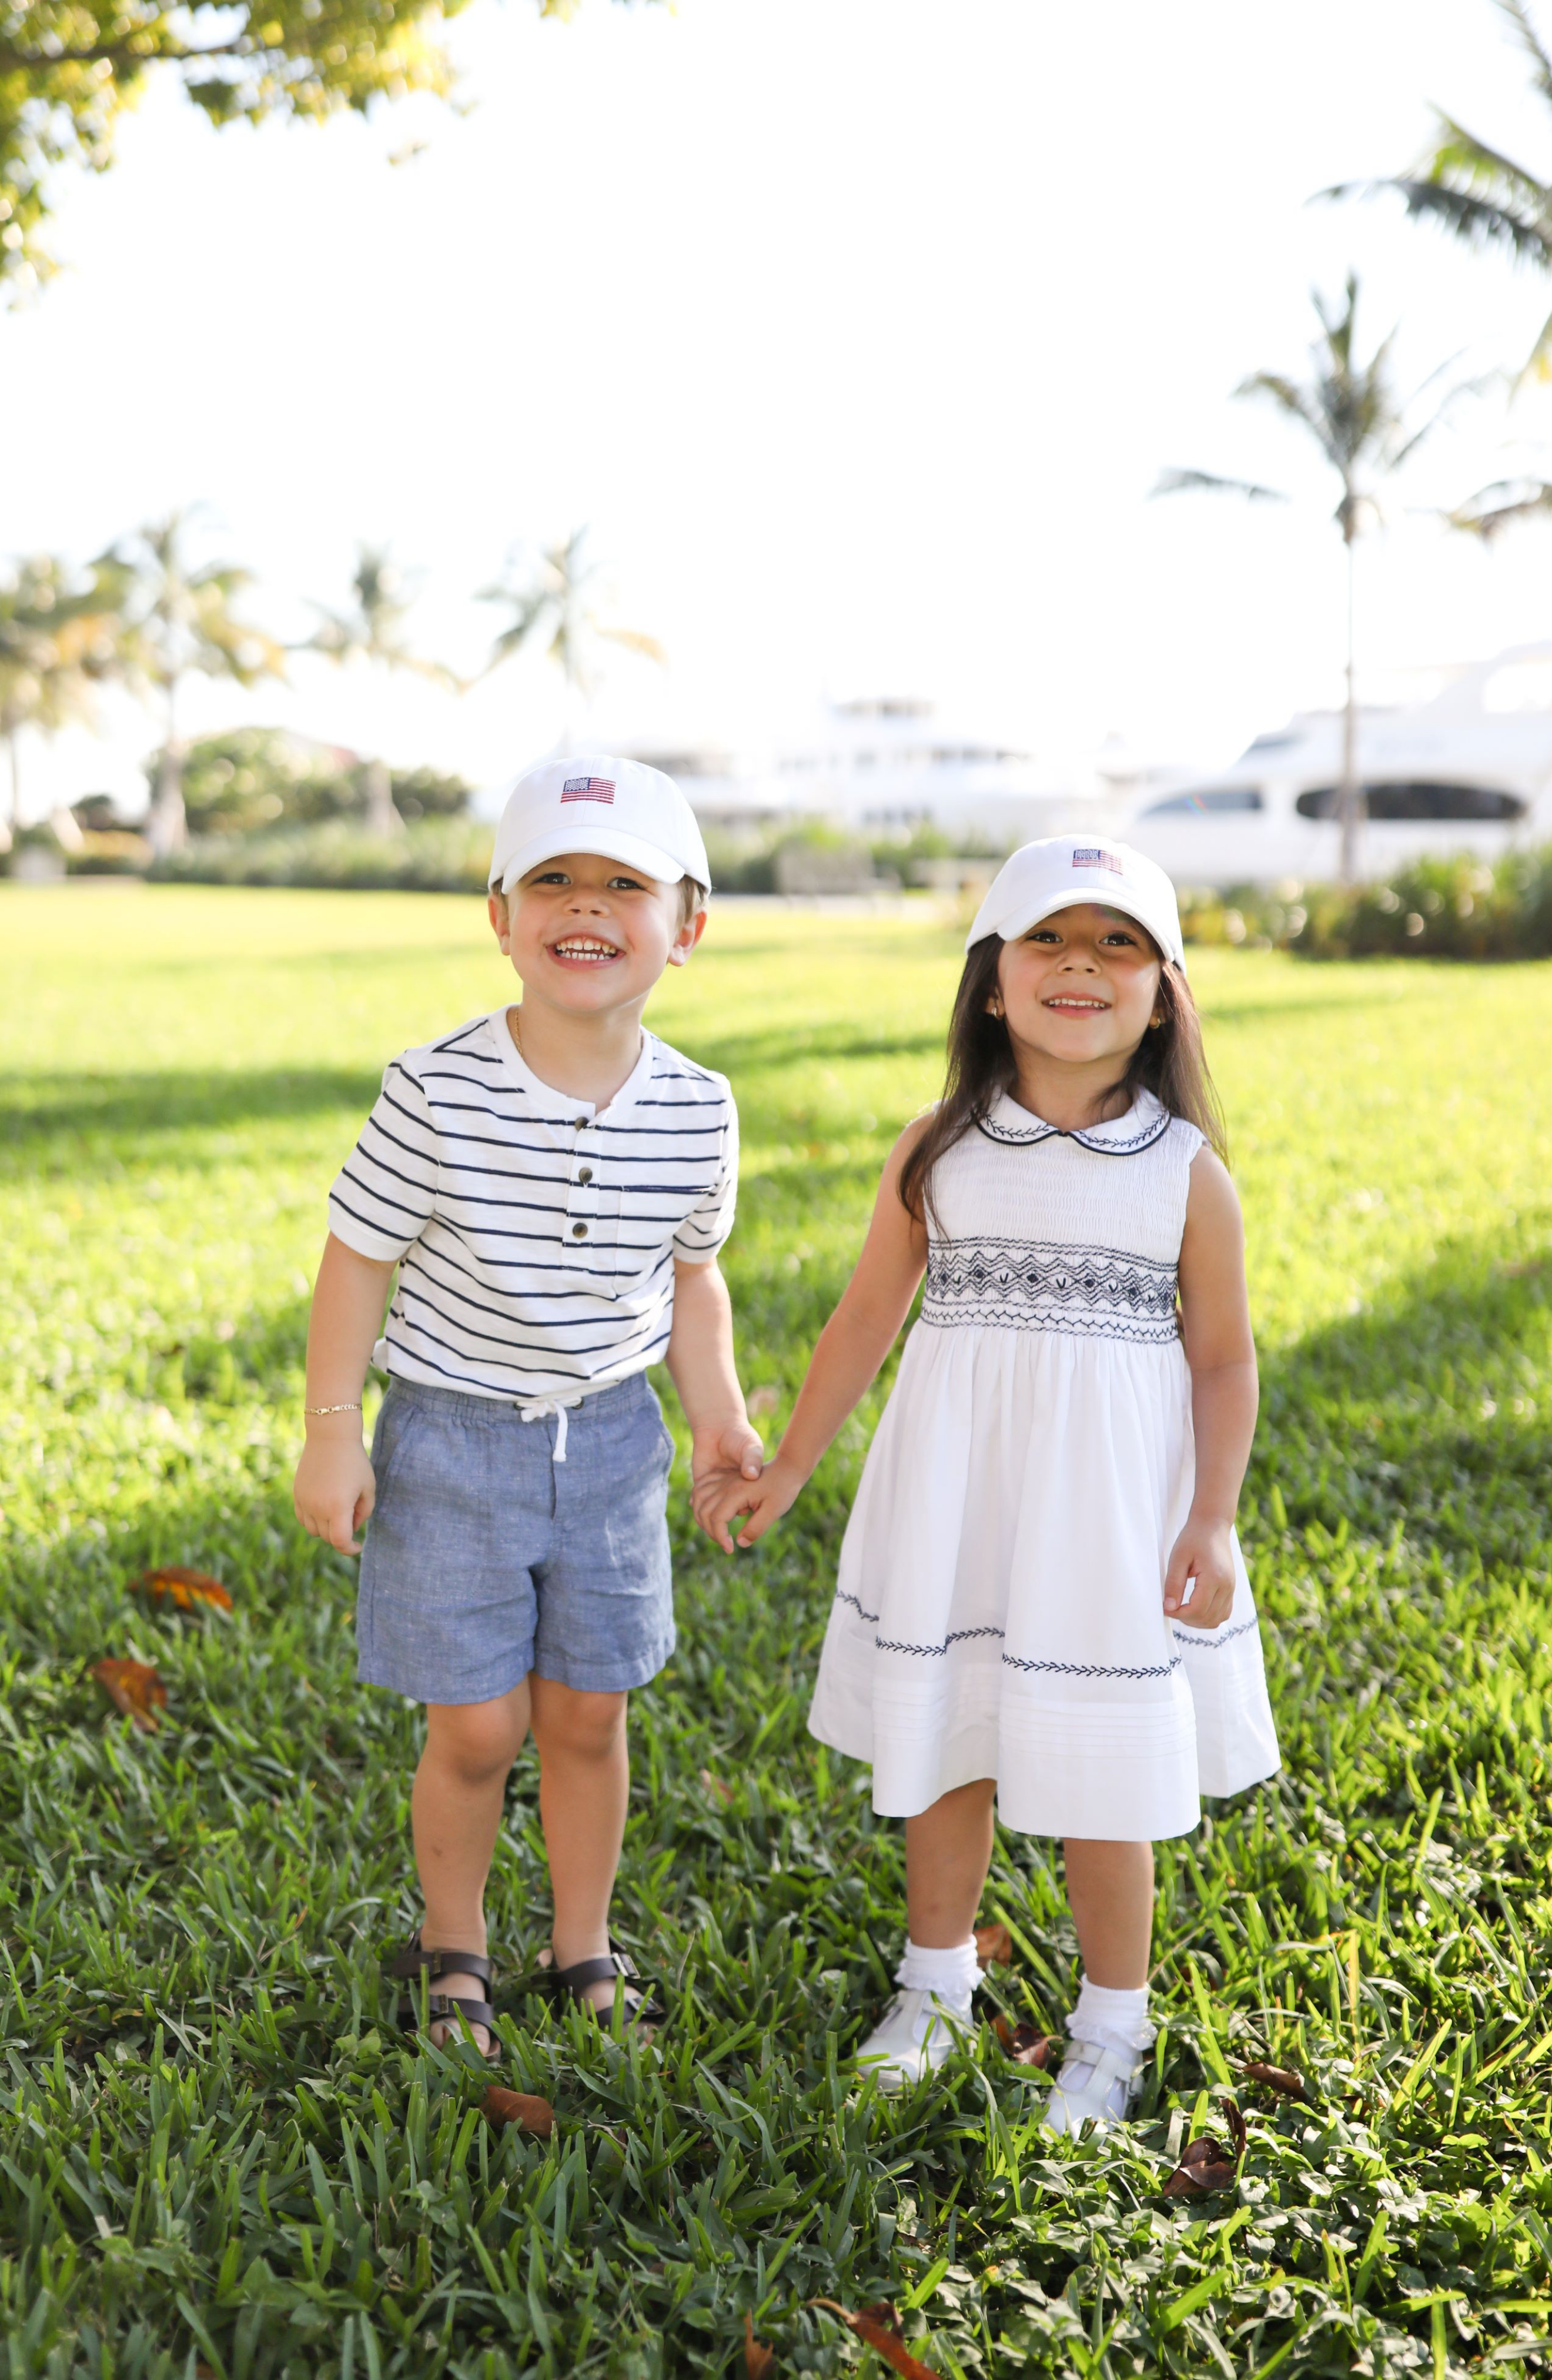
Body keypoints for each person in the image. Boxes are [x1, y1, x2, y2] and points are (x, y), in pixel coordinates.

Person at [698, 835, 1280, 2129]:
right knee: (948, 1738)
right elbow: (860, 1321)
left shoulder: (1187, 1172)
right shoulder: (937, 1148)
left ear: (1165, 991)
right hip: (955, 1496)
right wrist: (790, 1462)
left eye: (1118, 942)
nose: (1082, 963)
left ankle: (1112, 2021)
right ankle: (936, 1982)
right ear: (991, 984)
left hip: (1107, 1518)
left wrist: (1214, 1515)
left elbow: (1227, 1358)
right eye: (1049, 940)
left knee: (1104, 1768)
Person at [293, 754, 763, 2055]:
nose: (587, 906)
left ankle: (580, 1944)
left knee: (588, 1711)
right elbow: (357, 1257)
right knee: (481, 1721)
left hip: (613, 1444)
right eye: (551, 878)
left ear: (689, 923)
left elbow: (692, 1275)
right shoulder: (433, 1088)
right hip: (453, 1436)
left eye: (626, 883)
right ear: (500, 915)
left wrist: (717, 1411)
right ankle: (457, 1947)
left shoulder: (699, 1108)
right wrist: (333, 1431)